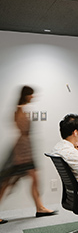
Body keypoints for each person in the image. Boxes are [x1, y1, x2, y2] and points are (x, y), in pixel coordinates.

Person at [0, 86, 56, 224]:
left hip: (25, 149)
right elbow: (20, 129)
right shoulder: (19, 109)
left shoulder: (21, 109)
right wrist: (20, 156)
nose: (33, 97)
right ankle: (40, 208)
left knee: (33, 179)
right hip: (21, 151)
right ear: (26, 95)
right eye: (31, 95)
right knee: (5, 183)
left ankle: (40, 208)